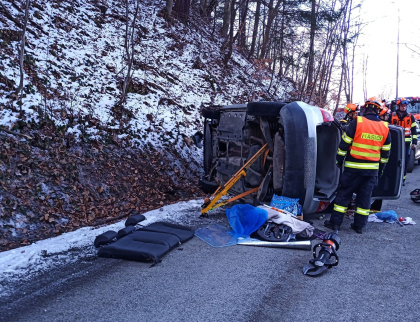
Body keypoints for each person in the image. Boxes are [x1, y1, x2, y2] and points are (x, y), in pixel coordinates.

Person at [324, 99, 391, 234]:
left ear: (365, 109)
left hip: (353, 168)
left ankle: (335, 223)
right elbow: (386, 153)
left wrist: (339, 160)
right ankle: (359, 226)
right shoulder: (385, 127)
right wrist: (381, 169)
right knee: (365, 198)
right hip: (371, 171)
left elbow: (344, 143)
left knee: (344, 195)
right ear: (378, 110)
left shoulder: (358, 122)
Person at [388, 97, 417, 185]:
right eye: (402, 106)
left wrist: (414, 142)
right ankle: (392, 179)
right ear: (398, 106)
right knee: (392, 161)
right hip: (394, 142)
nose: (404, 107)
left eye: (405, 106)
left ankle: (402, 180)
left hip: (406, 143)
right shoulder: (392, 116)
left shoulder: (410, 117)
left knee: (405, 162)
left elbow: (414, 130)